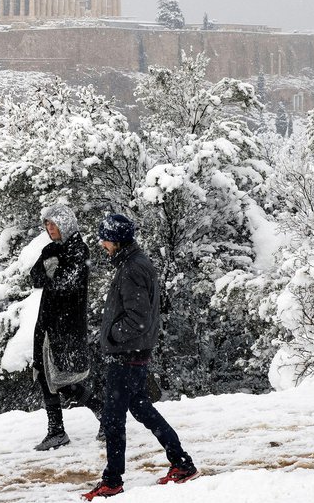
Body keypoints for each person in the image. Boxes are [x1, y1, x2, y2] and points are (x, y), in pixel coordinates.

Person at [82, 214, 197, 500]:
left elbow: (138, 318)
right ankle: (181, 463)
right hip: (133, 353)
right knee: (142, 409)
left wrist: (111, 336)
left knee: (113, 419)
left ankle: (112, 481)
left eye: (105, 238)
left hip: (126, 354)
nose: (102, 244)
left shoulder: (132, 268)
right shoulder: (133, 263)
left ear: (117, 240)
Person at [29, 203, 103, 451]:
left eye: (54, 224)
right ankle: (57, 430)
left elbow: (64, 284)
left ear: (66, 224)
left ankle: (101, 412)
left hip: (66, 324)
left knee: (63, 378)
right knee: (45, 375)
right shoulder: (51, 249)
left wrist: (52, 269)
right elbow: (35, 277)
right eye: (47, 224)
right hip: (47, 322)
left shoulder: (78, 250)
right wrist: (51, 268)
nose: (50, 229)